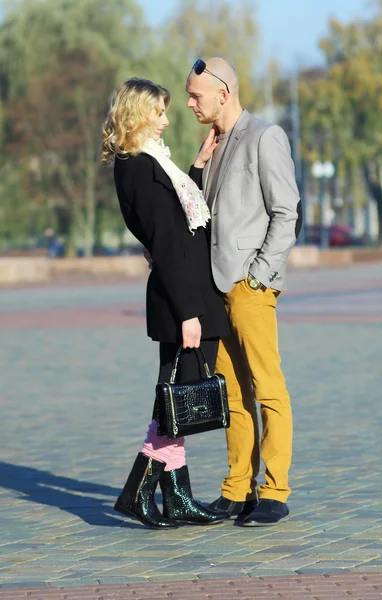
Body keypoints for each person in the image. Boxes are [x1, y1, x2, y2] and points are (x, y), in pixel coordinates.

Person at [100, 77, 230, 529]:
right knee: (174, 402)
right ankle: (138, 494)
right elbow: (168, 239)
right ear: (138, 114)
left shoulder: (147, 163)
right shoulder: (138, 165)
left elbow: (174, 219)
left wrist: (195, 167)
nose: (167, 120)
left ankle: (177, 498)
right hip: (182, 299)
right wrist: (189, 313)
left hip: (183, 292)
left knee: (176, 400)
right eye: (159, 112)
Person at [185, 58, 303, 526]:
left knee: (267, 387)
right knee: (232, 394)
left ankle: (275, 490)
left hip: (249, 288)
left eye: (197, 95)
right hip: (216, 291)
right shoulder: (213, 143)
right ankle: (238, 489)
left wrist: (259, 274)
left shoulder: (264, 137)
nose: (192, 103)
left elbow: (286, 211)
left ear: (224, 92)